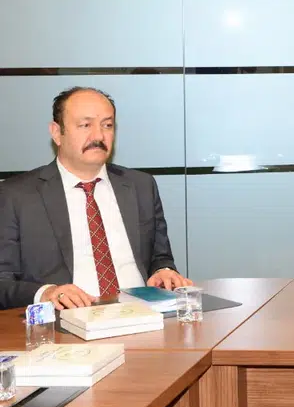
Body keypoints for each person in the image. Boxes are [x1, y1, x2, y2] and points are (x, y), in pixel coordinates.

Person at [0, 87, 191, 310]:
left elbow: (160, 257)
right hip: (69, 321)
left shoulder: (141, 186)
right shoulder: (17, 195)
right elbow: (3, 281)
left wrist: (163, 271)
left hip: (144, 315)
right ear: (56, 132)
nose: (99, 136)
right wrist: (46, 293)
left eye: (107, 125)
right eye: (85, 125)